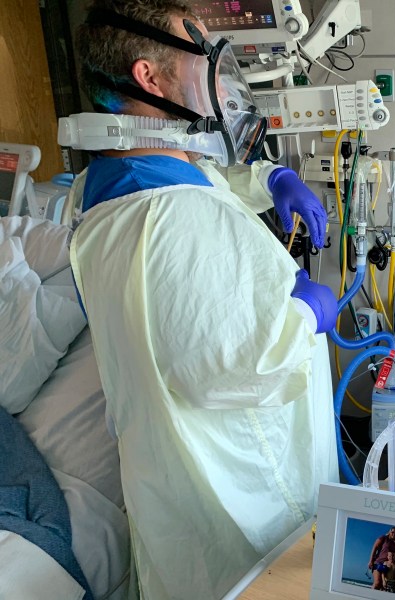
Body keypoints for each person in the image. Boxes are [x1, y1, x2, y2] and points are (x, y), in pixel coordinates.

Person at [68, 1, 340, 597]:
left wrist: (272, 178)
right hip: (245, 514)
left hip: (176, 499)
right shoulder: (174, 219)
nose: (216, 82)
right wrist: (307, 314)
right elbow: (248, 364)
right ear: (150, 77)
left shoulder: (107, 187)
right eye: (204, 63)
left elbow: (206, 178)